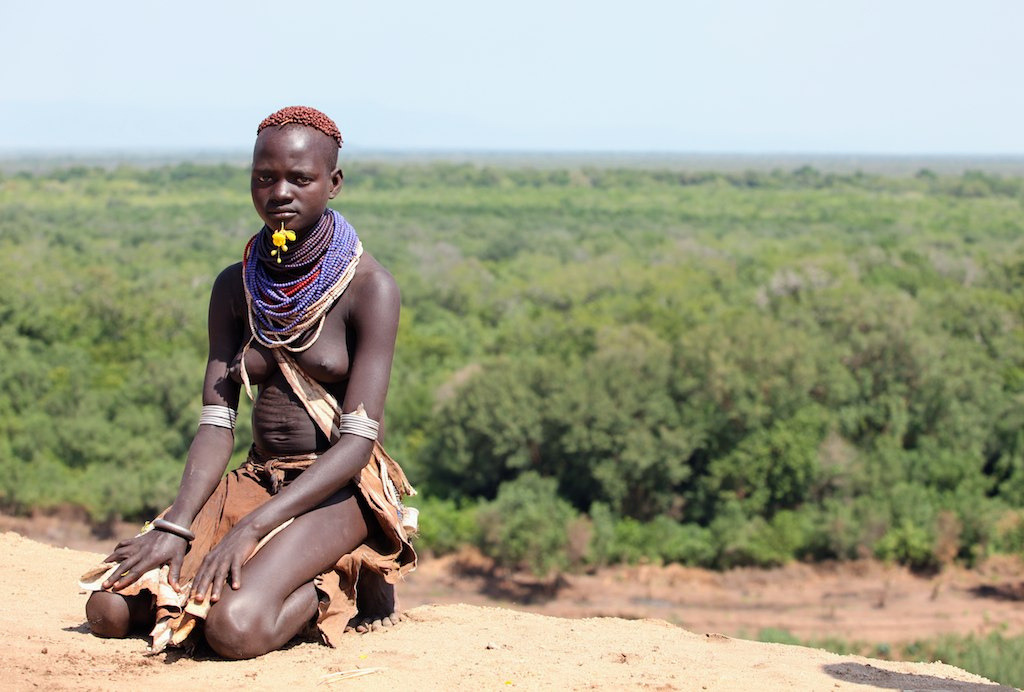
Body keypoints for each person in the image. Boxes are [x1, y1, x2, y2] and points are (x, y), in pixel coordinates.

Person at [80, 106, 417, 659]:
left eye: (300, 179)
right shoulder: (235, 287)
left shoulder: (369, 288)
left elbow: (357, 445)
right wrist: (177, 523)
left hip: (335, 489)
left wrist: (251, 529)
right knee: (111, 610)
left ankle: (317, 589)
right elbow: (216, 422)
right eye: (265, 177)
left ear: (333, 184)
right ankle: (254, 568)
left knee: (233, 629)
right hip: (258, 476)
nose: (279, 192)